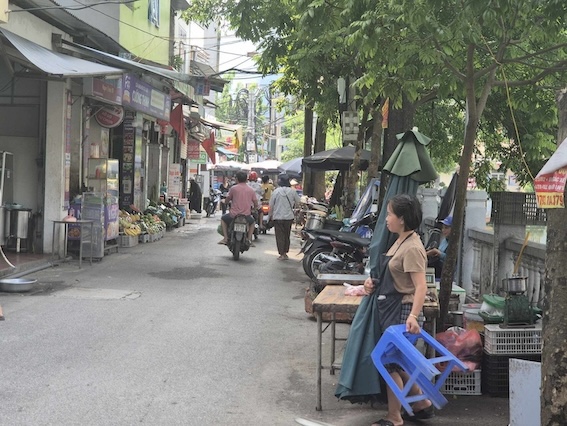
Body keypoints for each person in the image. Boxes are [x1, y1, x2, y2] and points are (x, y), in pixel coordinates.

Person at [363, 194, 433, 426]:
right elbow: (392, 273)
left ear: (402, 219)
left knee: (389, 362)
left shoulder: (413, 247)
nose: (386, 219)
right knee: (398, 361)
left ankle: (394, 417)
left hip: (403, 312)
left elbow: (421, 286)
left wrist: (413, 316)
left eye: (390, 214)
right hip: (390, 308)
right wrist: (371, 284)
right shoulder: (399, 240)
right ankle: (422, 404)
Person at [218, 171, 258, 246]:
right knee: (252, 223)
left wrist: (224, 201)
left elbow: (227, 199)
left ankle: (225, 238)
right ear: (246, 180)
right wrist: (254, 209)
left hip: (233, 215)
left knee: (223, 219)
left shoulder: (233, 188)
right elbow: (256, 203)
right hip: (246, 215)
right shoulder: (251, 190)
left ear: (237, 179)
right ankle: (249, 239)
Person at [268, 174, 300, 260]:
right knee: (287, 235)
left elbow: (271, 205)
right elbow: (298, 202)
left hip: (278, 217)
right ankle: (285, 252)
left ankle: (282, 254)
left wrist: (269, 216)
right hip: (289, 217)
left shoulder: (276, 191)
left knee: (280, 236)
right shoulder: (292, 191)